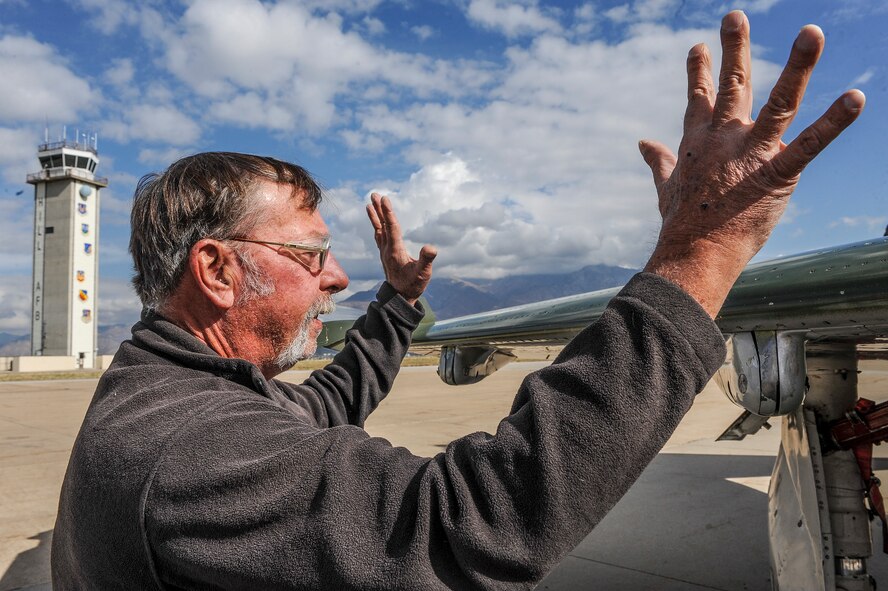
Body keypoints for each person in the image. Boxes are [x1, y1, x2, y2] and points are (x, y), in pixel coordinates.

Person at [51, 11, 864, 590]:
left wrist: (398, 303)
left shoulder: (177, 393)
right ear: (218, 270)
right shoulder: (189, 449)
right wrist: (703, 251)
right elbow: (467, 519)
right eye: (312, 255)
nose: (337, 279)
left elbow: (325, 403)